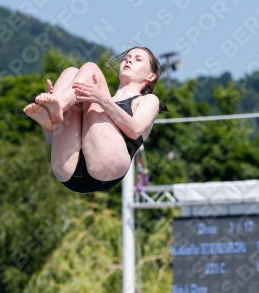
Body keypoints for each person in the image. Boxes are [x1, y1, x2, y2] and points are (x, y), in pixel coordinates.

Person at [23, 46, 165, 193]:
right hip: (69, 172)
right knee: (70, 72)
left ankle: (59, 104)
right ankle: (57, 108)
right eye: (127, 57)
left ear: (150, 76)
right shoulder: (96, 98)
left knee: (91, 69)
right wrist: (50, 125)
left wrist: (103, 100)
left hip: (107, 166)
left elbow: (135, 131)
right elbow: (52, 140)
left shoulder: (148, 99)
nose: (129, 60)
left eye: (138, 59)